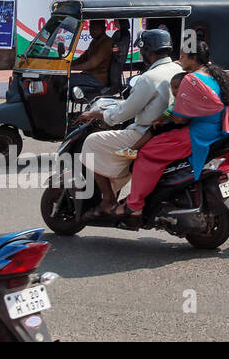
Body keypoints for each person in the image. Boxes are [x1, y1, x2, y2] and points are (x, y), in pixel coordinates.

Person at [116, 45, 229, 223]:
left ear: (193, 58)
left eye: (182, 56)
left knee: (146, 154)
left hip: (198, 135)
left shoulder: (191, 80)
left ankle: (134, 206)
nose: (179, 60)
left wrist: (163, 120)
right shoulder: (213, 73)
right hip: (219, 132)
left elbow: (180, 119)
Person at [78, 28, 182, 218]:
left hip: (144, 132)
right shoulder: (177, 69)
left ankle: (108, 198)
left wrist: (96, 114)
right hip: (167, 130)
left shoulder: (148, 78)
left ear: (148, 52)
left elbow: (123, 113)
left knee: (92, 142)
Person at [70, 21, 114, 95]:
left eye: (96, 28)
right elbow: (83, 58)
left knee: (67, 80)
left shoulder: (106, 43)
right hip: (89, 76)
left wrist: (70, 68)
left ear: (104, 29)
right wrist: (68, 64)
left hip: (97, 79)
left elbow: (91, 64)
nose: (92, 31)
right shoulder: (95, 41)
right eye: (91, 28)